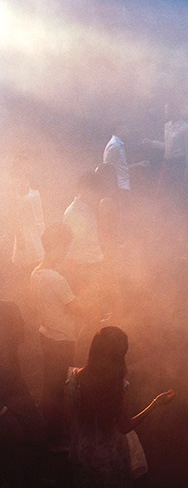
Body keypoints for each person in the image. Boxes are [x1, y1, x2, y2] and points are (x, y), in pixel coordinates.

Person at [66, 326, 174, 487]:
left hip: (81, 453)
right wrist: (155, 403)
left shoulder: (73, 378)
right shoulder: (119, 386)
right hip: (110, 457)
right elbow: (124, 427)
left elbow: (68, 422)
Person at [29, 222, 83, 445]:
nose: (66, 252)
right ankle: (56, 437)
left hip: (46, 335)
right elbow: (76, 308)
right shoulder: (56, 279)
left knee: (49, 386)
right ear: (57, 246)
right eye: (65, 247)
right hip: (62, 341)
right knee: (60, 388)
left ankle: (50, 431)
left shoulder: (35, 273)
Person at [0, 300, 45, 486]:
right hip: (5, 395)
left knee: (35, 429)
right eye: (17, 322)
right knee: (13, 440)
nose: (22, 325)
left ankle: (31, 478)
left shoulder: (8, 309)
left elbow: (20, 337)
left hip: (15, 387)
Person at [63, 170, 105, 306]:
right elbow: (70, 248)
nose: (98, 196)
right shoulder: (73, 213)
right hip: (84, 268)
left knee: (95, 303)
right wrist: (76, 278)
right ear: (84, 189)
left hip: (94, 264)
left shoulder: (88, 208)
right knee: (87, 305)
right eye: (95, 192)